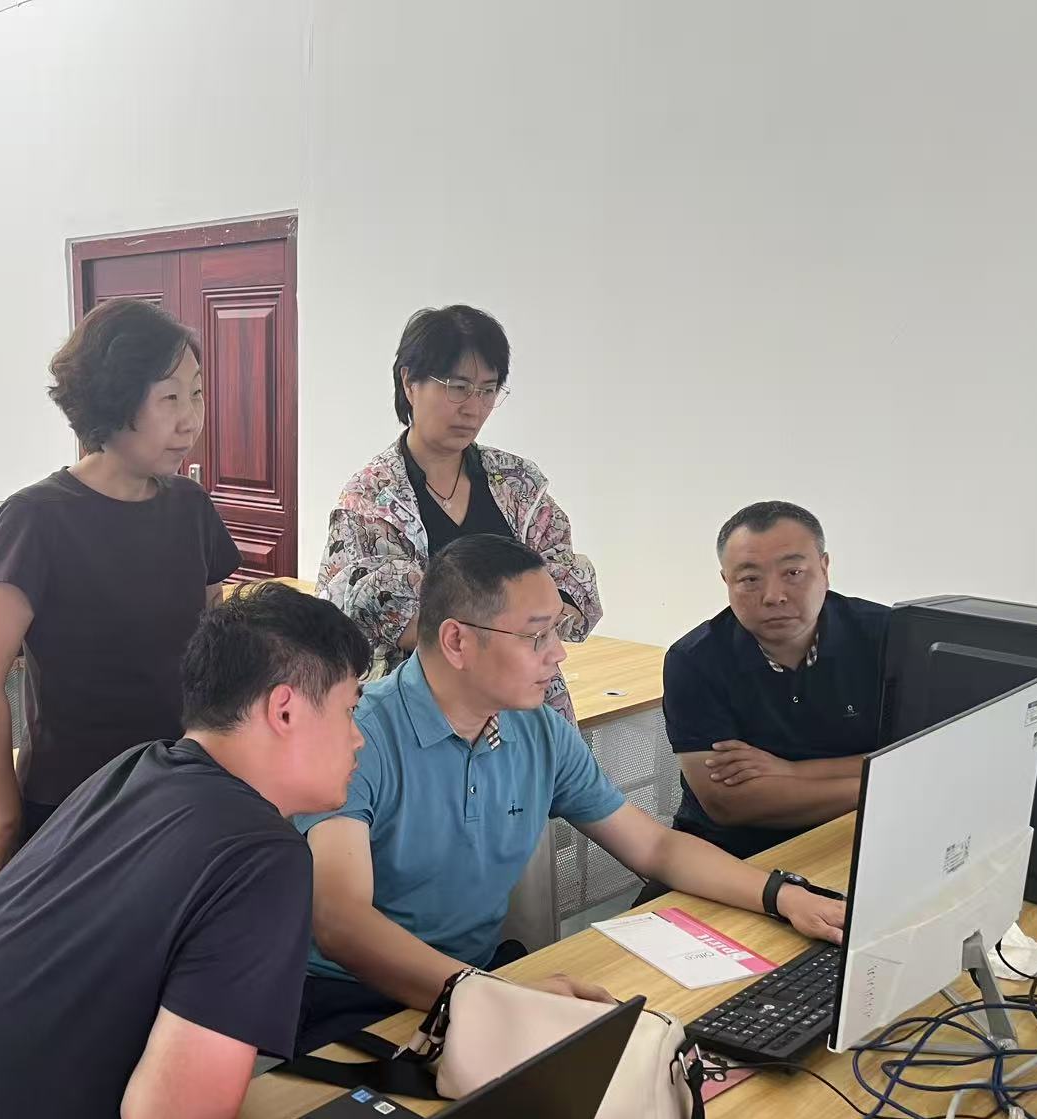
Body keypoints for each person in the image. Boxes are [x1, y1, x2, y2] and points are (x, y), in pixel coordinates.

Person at [0, 585, 369, 1119]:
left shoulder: (135, 769)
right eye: (349, 709)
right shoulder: (263, 856)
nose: (359, 738)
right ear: (284, 710)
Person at [295, 535, 846, 1052]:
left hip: (476, 981)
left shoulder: (537, 731)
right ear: (457, 641)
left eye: (557, 631)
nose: (558, 654)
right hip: (354, 999)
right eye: (537, 636)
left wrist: (784, 896)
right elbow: (342, 922)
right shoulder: (359, 736)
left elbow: (655, 847)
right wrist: (493, 997)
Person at [0, 298, 240, 896]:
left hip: (178, 792)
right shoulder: (38, 517)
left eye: (197, 394)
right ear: (114, 401)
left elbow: (211, 649)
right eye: (170, 398)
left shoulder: (190, 508)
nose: (191, 420)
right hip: (73, 807)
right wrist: (6, 819)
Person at [317, 304, 601, 722]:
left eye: (488, 390)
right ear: (409, 382)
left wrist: (505, 624)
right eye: (458, 387)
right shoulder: (371, 499)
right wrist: (524, 622)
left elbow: (568, 586)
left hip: (528, 707)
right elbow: (376, 614)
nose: (474, 407)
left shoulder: (517, 483)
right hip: (417, 716)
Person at [662, 500, 891, 861]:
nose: (774, 596)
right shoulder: (694, 660)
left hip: (862, 836)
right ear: (726, 581)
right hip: (729, 853)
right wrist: (879, 786)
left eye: (793, 573)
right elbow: (729, 802)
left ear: (824, 568)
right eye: (750, 579)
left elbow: (919, 759)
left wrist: (791, 771)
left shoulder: (887, 636)